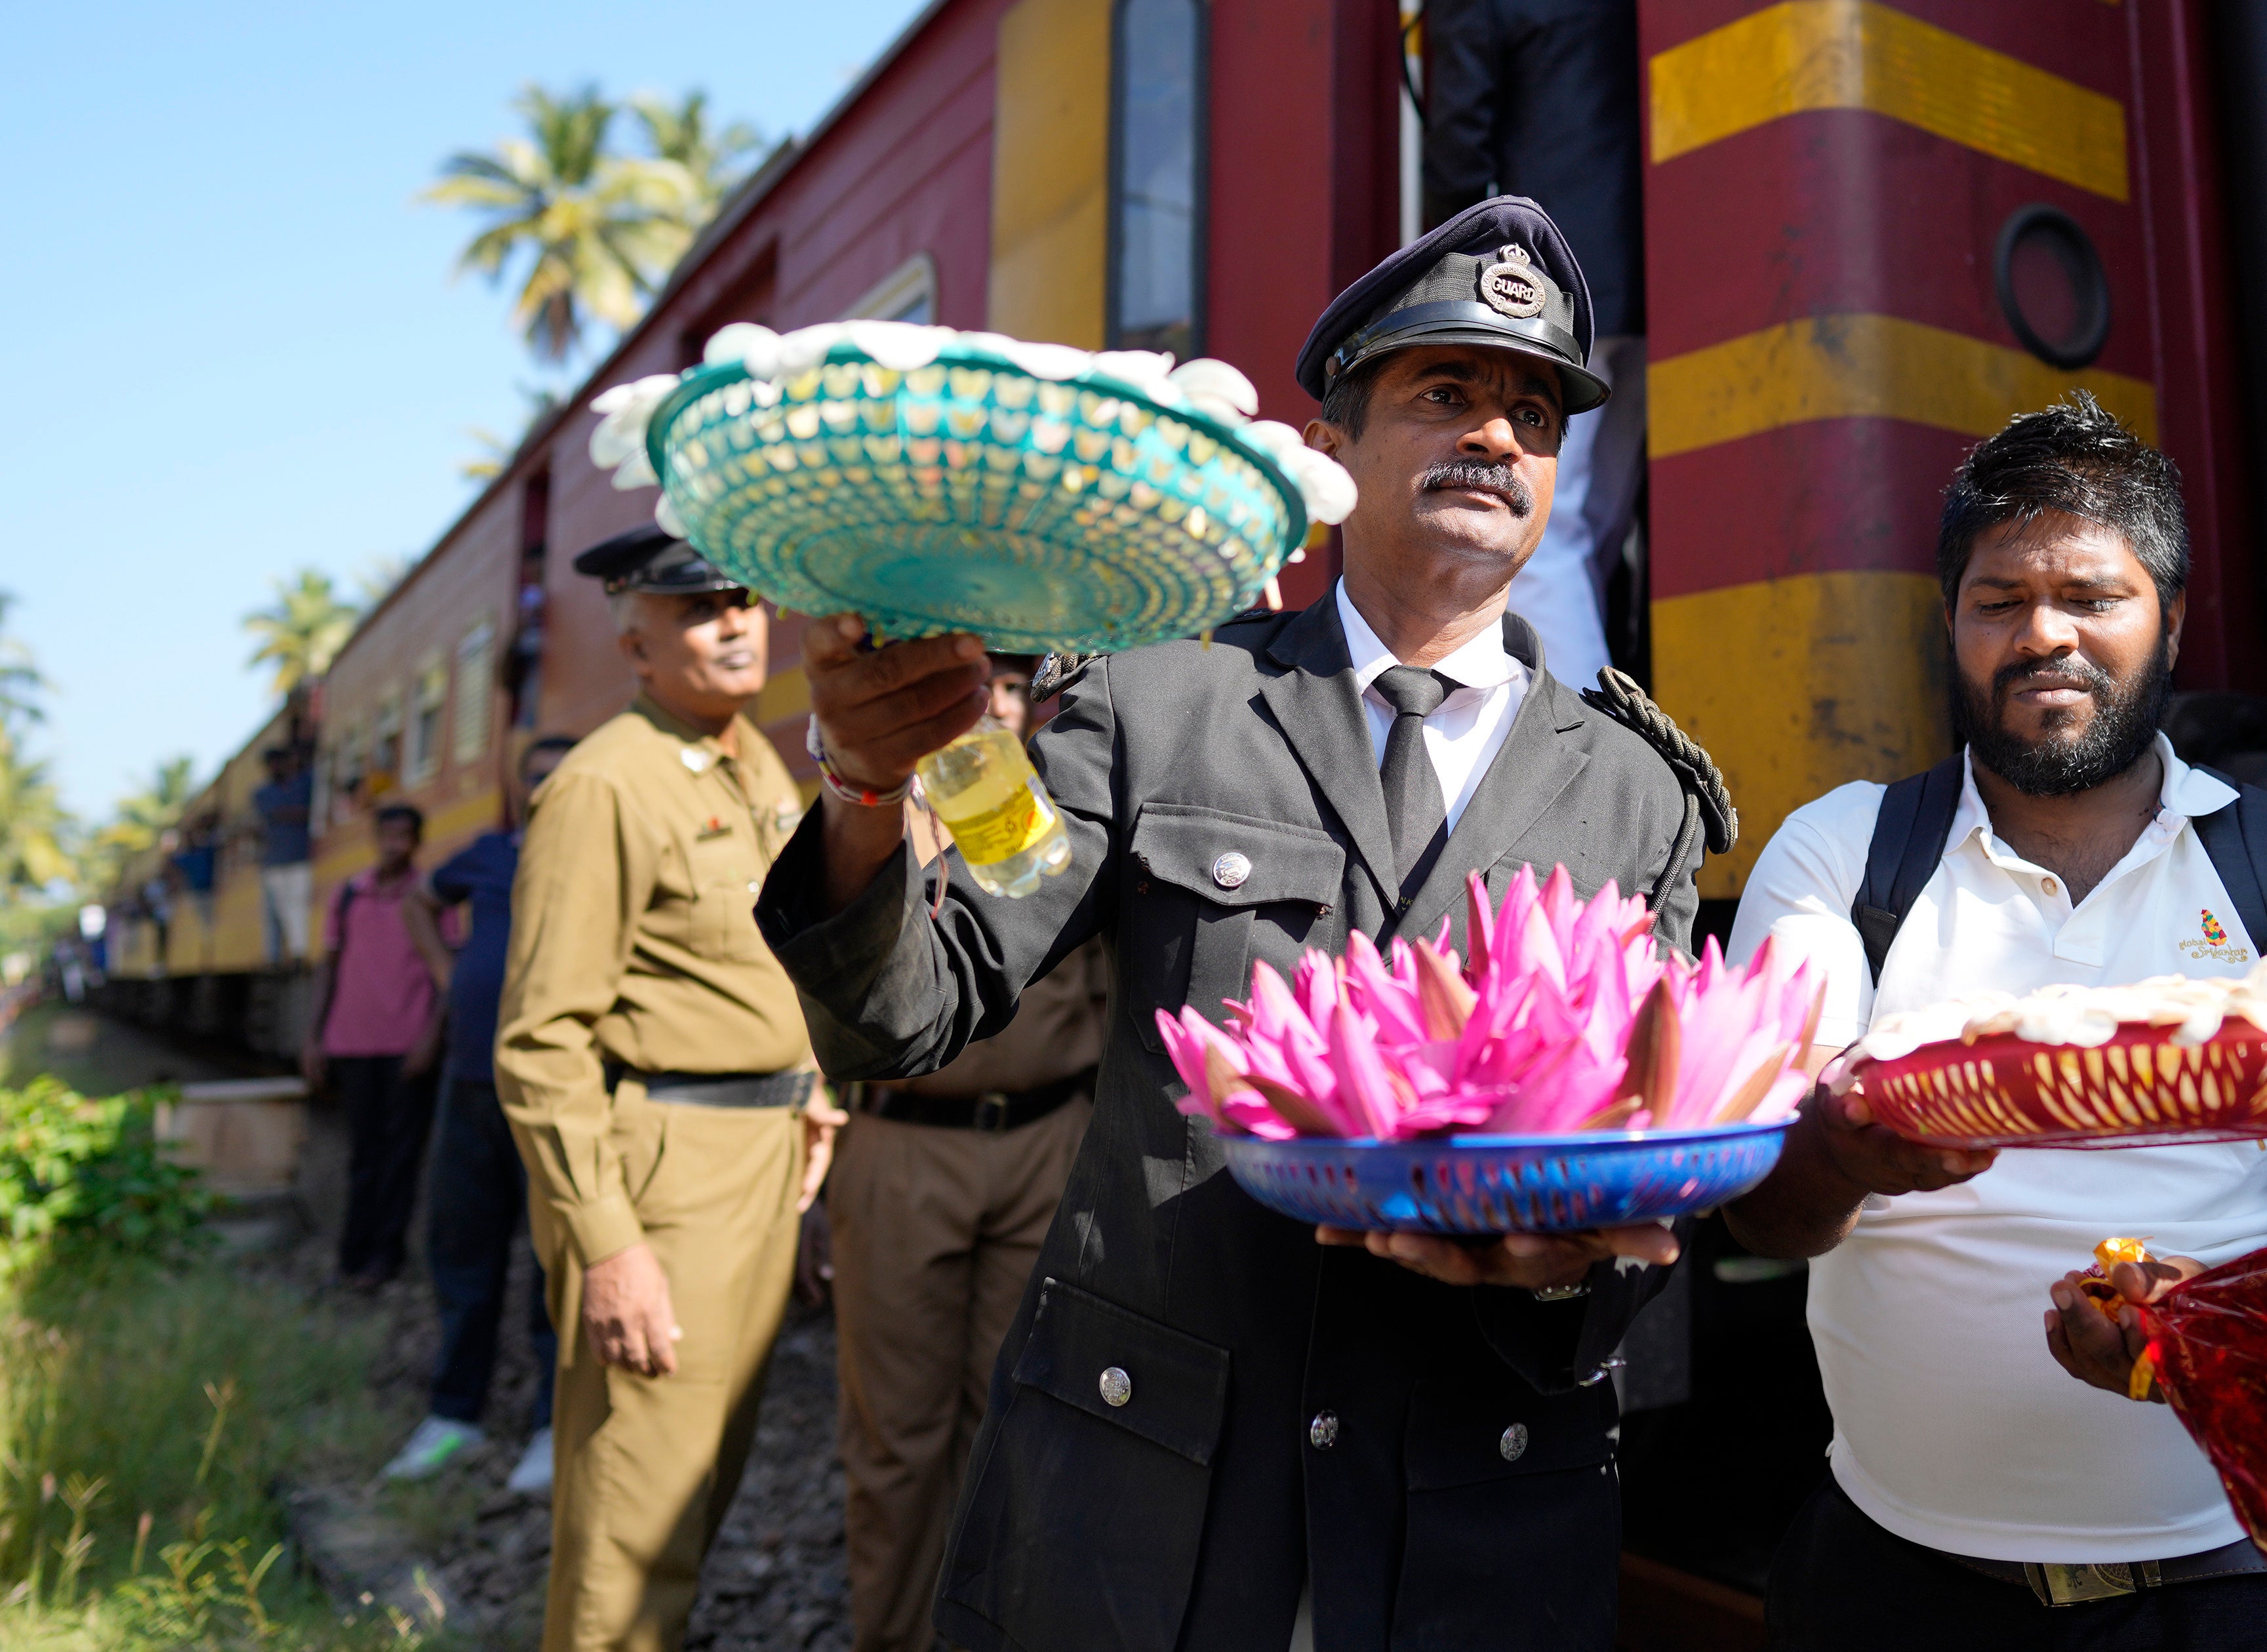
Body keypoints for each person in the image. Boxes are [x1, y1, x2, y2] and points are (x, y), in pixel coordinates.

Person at [757, 197, 1733, 1652]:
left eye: (1536, 414)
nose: (1499, 438)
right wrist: (863, 784)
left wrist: (1583, 1258)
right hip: (1160, 1513)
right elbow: (917, 1004)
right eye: (1447, 393)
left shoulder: (1638, 796)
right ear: (1332, 452)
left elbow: (1656, 1161)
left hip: (1472, 1518)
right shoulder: (1162, 701)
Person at [1721, 393, 2267, 1651]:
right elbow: (1765, 1207)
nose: (2044, 636)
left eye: (2091, 596)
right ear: (1951, 624)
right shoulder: (1843, 854)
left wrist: (2221, 1311)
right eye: (2000, 600)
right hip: (1895, 1586)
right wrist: (1848, 1150)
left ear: (2170, 619)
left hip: (2239, 1585)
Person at [496, 530, 844, 1652]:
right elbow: (542, 1044)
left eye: (746, 598)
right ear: (635, 638)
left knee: (701, 1487)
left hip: (758, 1156)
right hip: (666, 1171)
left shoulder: (752, 763)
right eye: (699, 609)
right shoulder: (604, 784)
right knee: (631, 1531)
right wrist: (607, 1244)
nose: (735, 622)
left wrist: (812, 1093)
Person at [828, 651, 1112, 1652]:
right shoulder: (869, 806)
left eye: (1006, 684)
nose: (989, 701)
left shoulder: (1066, 814)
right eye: (968, 680)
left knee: (1022, 1424)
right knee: (898, 1444)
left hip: (1044, 1143)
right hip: (905, 1147)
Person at [1420, 0, 1647, 692]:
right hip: (1652, 284)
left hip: (1552, 292)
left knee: (1544, 520)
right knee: (1601, 515)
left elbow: (1455, 160)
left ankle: (1589, 725)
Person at [381, 733, 579, 1493]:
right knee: (463, 1251)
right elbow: (421, 905)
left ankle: (548, 1425)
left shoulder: (602, 853)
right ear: (521, 785)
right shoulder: (489, 853)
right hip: (471, 1080)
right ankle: (453, 1414)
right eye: (537, 777)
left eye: (562, 775)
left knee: (551, 1264)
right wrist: (447, 970)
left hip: (556, 1090)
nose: (549, 786)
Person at [303, 801, 448, 1289]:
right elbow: (330, 966)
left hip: (408, 1047)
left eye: (404, 837)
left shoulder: (431, 898)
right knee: (364, 1155)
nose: (394, 845)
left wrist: (431, 1038)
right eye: (387, 835)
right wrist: (314, 1037)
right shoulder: (349, 896)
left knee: (401, 1157)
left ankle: (387, 1255)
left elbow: (446, 973)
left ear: (417, 842)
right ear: (376, 838)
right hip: (352, 1043)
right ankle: (353, 1253)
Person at [252, 744, 315, 963]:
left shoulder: (305, 783)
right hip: (275, 860)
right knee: (282, 909)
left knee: (298, 904)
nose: (275, 767)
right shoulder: (262, 793)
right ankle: (291, 952)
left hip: (300, 857)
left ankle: (299, 952)